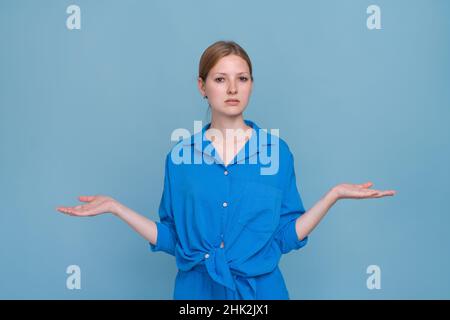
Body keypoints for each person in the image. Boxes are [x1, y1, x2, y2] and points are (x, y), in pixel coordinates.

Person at [56, 40, 396, 300]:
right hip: (196, 295)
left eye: (242, 78)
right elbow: (175, 238)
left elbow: (284, 236)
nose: (232, 89)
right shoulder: (180, 157)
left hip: (261, 294)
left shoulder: (276, 152)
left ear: (251, 84)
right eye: (220, 79)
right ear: (202, 87)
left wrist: (333, 195)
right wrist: (116, 208)